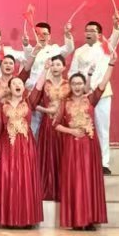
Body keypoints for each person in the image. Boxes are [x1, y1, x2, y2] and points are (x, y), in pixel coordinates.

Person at [56, 51, 117, 230]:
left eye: (79, 83)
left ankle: (90, 220)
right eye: (74, 83)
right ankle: (77, 220)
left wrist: (111, 64)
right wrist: (72, 131)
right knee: (75, 181)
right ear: (70, 86)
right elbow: (56, 125)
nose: (76, 86)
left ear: (84, 85)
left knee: (90, 181)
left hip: (90, 147)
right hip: (72, 147)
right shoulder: (64, 103)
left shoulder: (90, 99)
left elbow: (103, 84)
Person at [0, 61, 48, 228]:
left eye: (20, 83)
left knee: (26, 180)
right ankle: (9, 219)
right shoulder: (2, 105)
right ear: (10, 88)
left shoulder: (29, 102)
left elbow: (38, 87)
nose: (17, 85)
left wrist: (45, 69)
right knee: (9, 179)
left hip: (26, 146)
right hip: (7, 146)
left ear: (23, 87)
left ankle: (27, 219)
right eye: (14, 83)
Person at [68, 15, 119, 174]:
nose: (88, 33)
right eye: (87, 30)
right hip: (83, 95)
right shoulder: (79, 51)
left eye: (92, 31)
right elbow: (72, 72)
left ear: (99, 34)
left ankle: (104, 163)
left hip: (102, 93)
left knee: (102, 127)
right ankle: (83, 160)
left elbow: (115, 36)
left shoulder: (105, 47)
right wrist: (77, 88)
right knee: (82, 127)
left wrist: (116, 24)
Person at [35, 54, 69, 201]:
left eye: (58, 64)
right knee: (47, 156)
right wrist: (47, 110)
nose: (55, 67)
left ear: (64, 67)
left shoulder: (69, 85)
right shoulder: (44, 84)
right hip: (48, 124)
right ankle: (47, 189)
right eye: (53, 64)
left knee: (63, 155)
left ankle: (63, 190)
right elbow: (32, 103)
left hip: (64, 125)